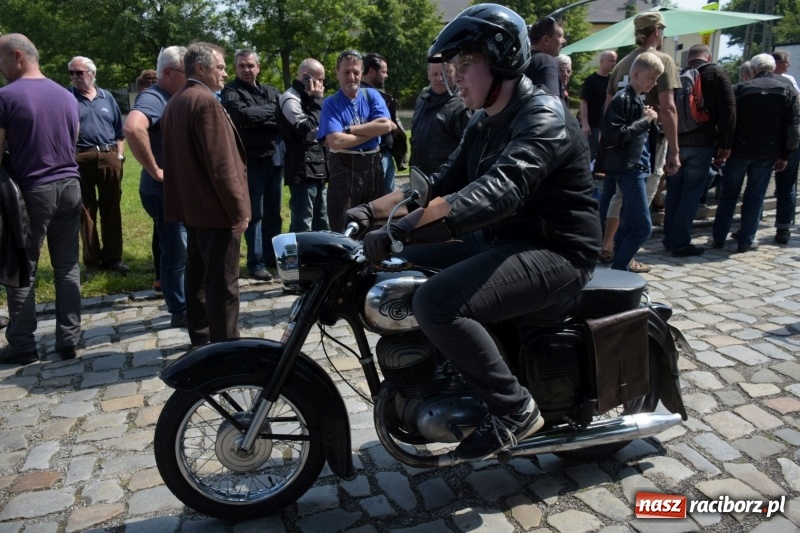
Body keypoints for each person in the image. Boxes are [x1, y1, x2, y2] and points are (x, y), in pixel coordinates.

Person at [353, 4, 600, 460]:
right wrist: (369, 213)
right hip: (504, 240)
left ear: (502, 60)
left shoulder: (542, 116)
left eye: (465, 64)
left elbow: (500, 189)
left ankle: (513, 409)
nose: (456, 77)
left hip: (558, 251)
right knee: (399, 269)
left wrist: (404, 229)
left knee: (436, 302)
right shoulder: (483, 121)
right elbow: (438, 183)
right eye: (453, 67)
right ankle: (442, 376)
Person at [0, 34, 82, 364]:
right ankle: (69, 339)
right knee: (67, 266)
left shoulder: (5, 96)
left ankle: (22, 344)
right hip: (71, 186)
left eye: (1, 60)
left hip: (32, 189)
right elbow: (73, 140)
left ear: (18, 56)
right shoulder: (66, 95)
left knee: (23, 268)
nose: (1, 69)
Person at [162, 42, 250, 346]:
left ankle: (201, 341)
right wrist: (239, 209)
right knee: (223, 284)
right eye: (221, 67)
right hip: (216, 211)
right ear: (201, 68)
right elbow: (221, 165)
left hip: (192, 208)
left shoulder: (177, 100)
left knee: (198, 278)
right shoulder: (204, 102)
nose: (225, 73)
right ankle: (226, 350)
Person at [601, 11, 681, 272]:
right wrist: (674, 150)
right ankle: (623, 256)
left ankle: (609, 246)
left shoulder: (622, 62)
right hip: (643, 146)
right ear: (657, 31)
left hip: (620, 151)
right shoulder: (661, 60)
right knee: (639, 213)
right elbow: (667, 107)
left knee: (618, 199)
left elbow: (607, 108)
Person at [124, 46, 188, 328]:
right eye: (187, 72)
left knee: (181, 249)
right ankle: (180, 310)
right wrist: (155, 169)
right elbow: (132, 128)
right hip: (162, 191)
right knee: (175, 251)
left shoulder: (171, 96)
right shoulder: (153, 97)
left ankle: (186, 302)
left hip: (175, 190)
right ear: (168, 72)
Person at [711, 54, 800, 253]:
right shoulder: (787, 90)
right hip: (767, 151)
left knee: (729, 195)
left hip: (739, 150)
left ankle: (718, 238)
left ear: (752, 70)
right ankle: (746, 240)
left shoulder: (740, 89)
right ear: (773, 69)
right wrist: (785, 154)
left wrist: (722, 147)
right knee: (755, 196)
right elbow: (792, 127)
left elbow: (727, 121)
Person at [662, 44, 736, 257]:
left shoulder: (676, 74)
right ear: (708, 56)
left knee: (674, 193)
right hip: (701, 144)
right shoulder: (716, 73)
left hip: (675, 143)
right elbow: (728, 110)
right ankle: (680, 243)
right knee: (691, 194)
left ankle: (669, 239)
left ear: (689, 58)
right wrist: (725, 144)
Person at [221, 49, 285, 282]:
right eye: (241, 66)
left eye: (250, 65)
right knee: (254, 215)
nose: (246, 70)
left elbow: (283, 117)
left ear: (258, 67)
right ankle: (256, 263)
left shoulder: (271, 90)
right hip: (252, 162)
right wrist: (271, 112)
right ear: (236, 68)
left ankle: (273, 258)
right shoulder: (230, 91)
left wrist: (260, 117)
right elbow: (241, 117)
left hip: (276, 160)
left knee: (274, 214)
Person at [596, 53, 662, 272]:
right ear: (636, 74)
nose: (654, 84)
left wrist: (647, 120)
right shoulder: (623, 98)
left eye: (656, 80)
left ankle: (619, 270)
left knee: (627, 224)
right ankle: (619, 269)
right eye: (651, 78)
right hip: (630, 170)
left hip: (635, 168)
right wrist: (645, 121)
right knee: (643, 228)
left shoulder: (633, 99)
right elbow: (616, 135)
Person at [68, 55, 129, 280]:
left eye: (79, 72)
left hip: (109, 155)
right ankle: (92, 261)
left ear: (92, 74)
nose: (75, 77)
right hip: (80, 157)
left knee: (111, 208)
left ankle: (114, 258)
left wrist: (119, 155)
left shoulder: (107, 97)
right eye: (71, 73)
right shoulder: (67, 97)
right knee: (85, 210)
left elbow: (120, 131)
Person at [318, 50, 392, 232]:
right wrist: (371, 131)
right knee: (343, 227)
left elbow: (386, 125)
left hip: (373, 167)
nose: (351, 77)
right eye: (346, 72)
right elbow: (335, 141)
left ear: (361, 73)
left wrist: (349, 130)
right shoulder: (331, 103)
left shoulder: (372, 96)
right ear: (337, 73)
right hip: (343, 169)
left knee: (376, 225)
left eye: (356, 72)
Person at [277, 58, 330, 233]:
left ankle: (321, 250)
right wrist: (317, 101)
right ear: (306, 76)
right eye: (319, 79)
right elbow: (308, 131)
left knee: (322, 220)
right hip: (301, 169)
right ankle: (300, 251)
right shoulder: (290, 98)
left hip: (319, 166)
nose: (321, 85)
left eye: (323, 80)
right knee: (303, 223)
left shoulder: (311, 98)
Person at [410, 61, 472, 176]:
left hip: (446, 180)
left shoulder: (462, 106)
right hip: (420, 176)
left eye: (445, 73)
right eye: (435, 74)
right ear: (428, 75)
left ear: (454, 73)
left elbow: (468, 152)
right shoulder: (422, 99)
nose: (439, 78)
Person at [361, 53, 404, 194]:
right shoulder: (360, 96)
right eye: (384, 72)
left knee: (388, 199)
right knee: (377, 200)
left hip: (385, 155)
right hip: (374, 157)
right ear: (372, 71)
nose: (386, 76)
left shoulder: (375, 94)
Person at [772, 51, 800, 245]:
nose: (788, 65)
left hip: (766, 140)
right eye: (786, 62)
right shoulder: (789, 84)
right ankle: (783, 228)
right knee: (786, 184)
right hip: (787, 139)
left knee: (759, 183)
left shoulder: (751, 83)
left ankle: (751, 227)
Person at [580, 50, 617, 162]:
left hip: (608, 124)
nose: (614, 63)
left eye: (615, 61)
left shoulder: (612, 80)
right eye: (611, 61)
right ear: (602, 62)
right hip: (593, 125)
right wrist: (585, 124)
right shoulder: (591, 80)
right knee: (591, 155)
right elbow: (584, 102)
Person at [524, 16, 563, 95]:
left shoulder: (519, 60)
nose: (563, 40)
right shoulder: (546, 61)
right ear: (546, 40)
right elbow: (550, 100)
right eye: (560, 36)